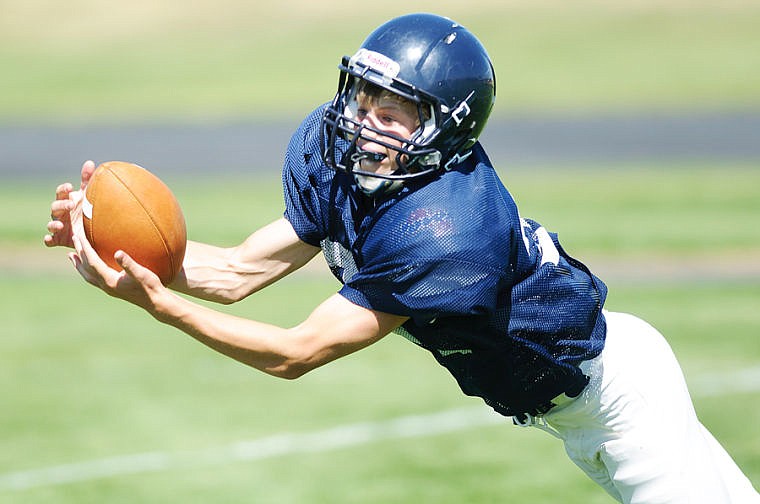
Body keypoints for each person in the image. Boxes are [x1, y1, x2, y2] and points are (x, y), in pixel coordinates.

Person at [45, 13, 758, 504]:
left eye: (393, 114)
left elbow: (297, 353)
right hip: (576, 410)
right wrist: (115, 246)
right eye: (363, 98)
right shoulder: (343, 166)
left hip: (620, 406)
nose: (362, 124)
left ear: (447, 131)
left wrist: (160, 305)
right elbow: (235, 273)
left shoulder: (446, 229)